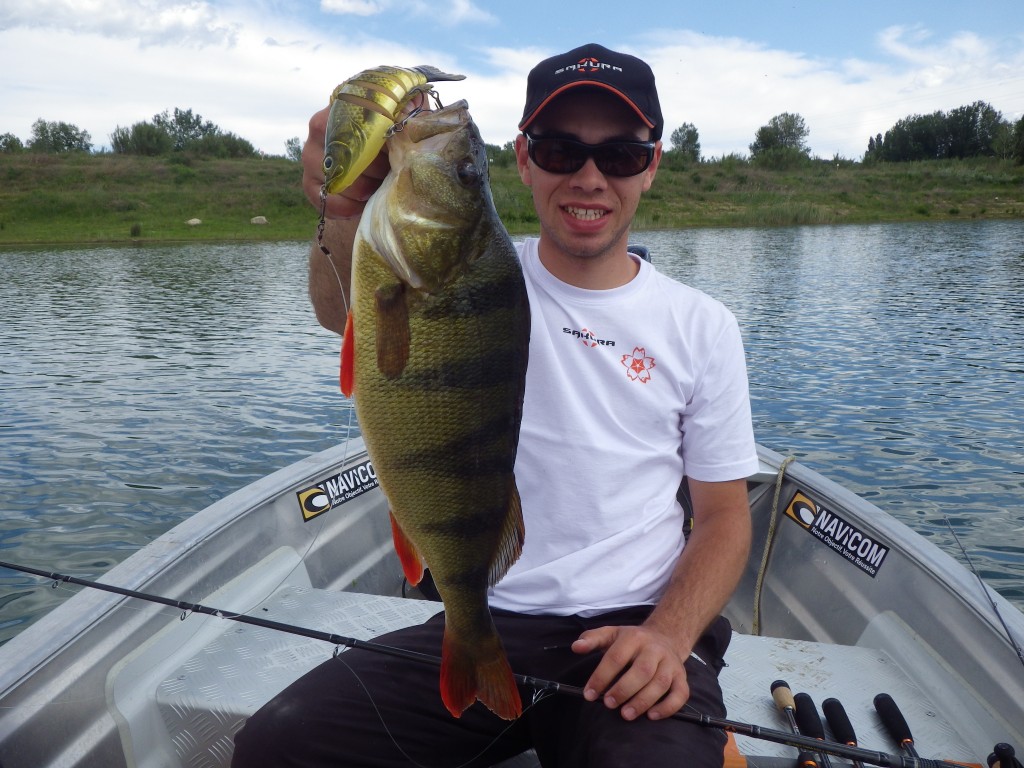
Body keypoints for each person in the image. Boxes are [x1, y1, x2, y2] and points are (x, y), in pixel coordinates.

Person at [232, 42, 759, 768]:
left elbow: (726, 516)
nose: (589, 177)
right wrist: (344, 205)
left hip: (632, 630)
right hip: (484, 608)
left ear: (653, 164)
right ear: (522, 157)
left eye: (621, 156)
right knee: (278, 747)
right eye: (559, 148)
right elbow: (339, 312)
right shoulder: (471, 262)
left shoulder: (702, 325)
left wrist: (670, 636)